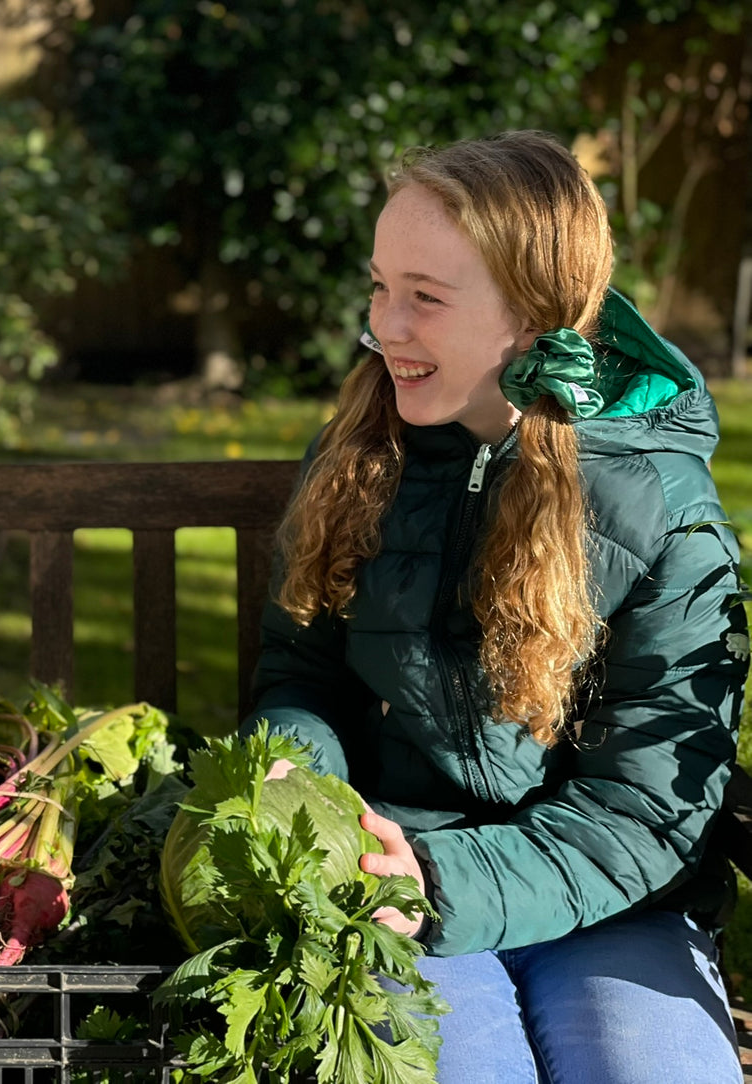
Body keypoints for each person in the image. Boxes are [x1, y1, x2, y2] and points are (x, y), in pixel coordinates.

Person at [246, 129, 748, 1083]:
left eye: (424, 298)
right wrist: (302, 793)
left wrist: (439, 882)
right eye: (378, 287)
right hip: (393, 879)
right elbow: (298, 672)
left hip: (608, 903)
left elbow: (648, 809)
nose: (383, 326)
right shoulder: (356, 456)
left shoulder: (658, 508)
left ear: (531, 316)